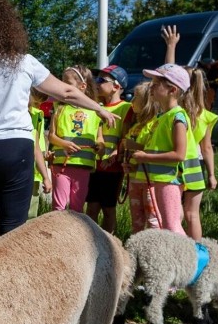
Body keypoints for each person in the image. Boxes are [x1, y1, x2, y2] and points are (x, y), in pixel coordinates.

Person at [0, 0, 116, 254]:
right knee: (13, 227)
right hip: (16, 149)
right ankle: (11, 290)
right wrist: (99, 108)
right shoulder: (25, 62)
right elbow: (66, 93)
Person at [131, 64, 191, 235]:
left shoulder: (177, 117)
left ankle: (184, 259)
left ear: (172, 89)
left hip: (169, 180)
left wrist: (145, 157)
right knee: (165, 224)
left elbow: (179, 154)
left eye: (156, 83)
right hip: (161, 179)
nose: (152, 86)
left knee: (171, 225)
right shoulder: (164, 116)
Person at [49, 65, 105, 213]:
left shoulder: (96, 110)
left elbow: (100, 138)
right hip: (62, 165)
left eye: (67, 83)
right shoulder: (59, 108)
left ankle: (73, 235)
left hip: (83, 166)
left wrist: (100, 146)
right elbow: (52, 136)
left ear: (82, 86)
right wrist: (64, 144)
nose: (62, 86)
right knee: (58, 208)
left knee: (77, 209)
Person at [86, 65, 132, 233]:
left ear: (116, 86)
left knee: (108, 208)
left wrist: (116, 153)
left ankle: (109, 242)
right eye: (95, 79)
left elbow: (126, 136)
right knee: (91, 208)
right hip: (93, 164)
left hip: (112, 168)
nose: (96, 83)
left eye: (101, 80)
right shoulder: (95, 107)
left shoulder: (126, 108)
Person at [181, 67, 218, 240]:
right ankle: (197, 251)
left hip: (176, 163)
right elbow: (207, 147)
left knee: (175, 213)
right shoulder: (206, 115)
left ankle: (178, 249)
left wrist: (171, 47)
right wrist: (211, 175)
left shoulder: (176, 111)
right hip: (197, 165)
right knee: (192, 214)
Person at [123, 81, 161, 233]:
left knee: (153, 218)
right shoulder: (136, 126)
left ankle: (155, 250)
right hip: (134, 178)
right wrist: (130, 165)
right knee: (136, 220)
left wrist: (134, 147)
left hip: (150, 180)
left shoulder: (155, 125)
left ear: (147, 101)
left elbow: (155, 151)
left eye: (136, 97)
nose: (132, 101)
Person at [27, 88, 52, 219]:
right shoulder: (33, 113)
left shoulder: (37, 114)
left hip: (34, 172)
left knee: (30, 215)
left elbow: (37, 146)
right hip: (23, 173)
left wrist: (44, 176)